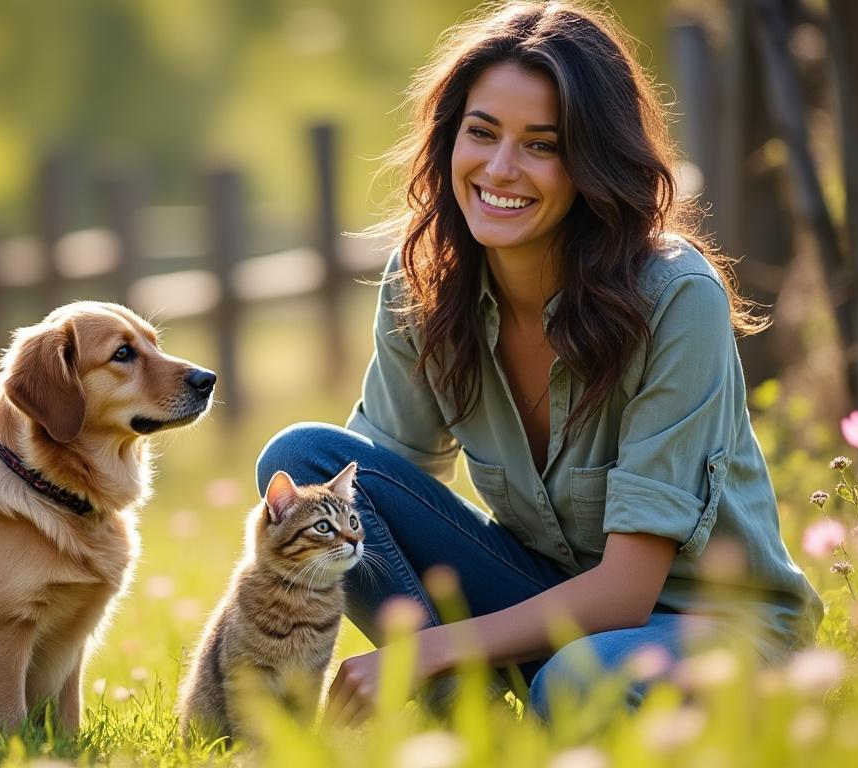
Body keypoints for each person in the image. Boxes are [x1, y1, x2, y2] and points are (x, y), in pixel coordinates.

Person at [255, 0, 821, 725]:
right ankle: (469, 715)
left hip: (710, 621)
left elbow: (626, 592)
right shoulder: (424, 279)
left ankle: (476, 684)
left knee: (576, 687)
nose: (500, 168)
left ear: (592, 161)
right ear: (449, 140)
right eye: (481, 133)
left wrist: (425, 649)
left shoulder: (677, 297)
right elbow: (380, 503)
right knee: (303, 455)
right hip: (545, 597)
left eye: (542, 145)